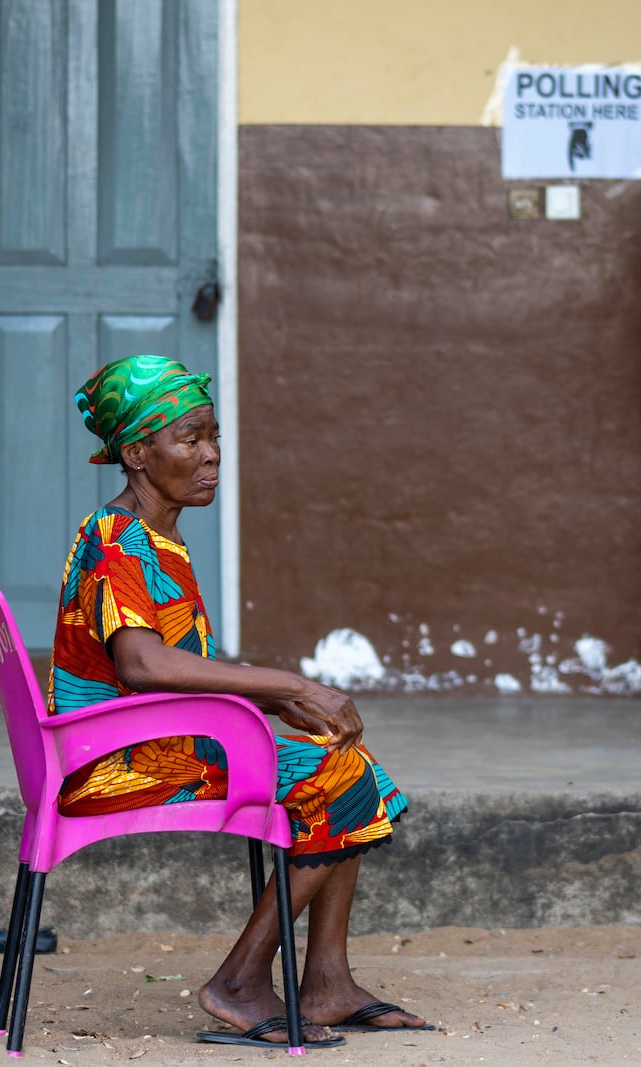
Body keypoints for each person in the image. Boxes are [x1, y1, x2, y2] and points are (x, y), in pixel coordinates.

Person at [51, 354, 429, 1049]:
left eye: (213, 435)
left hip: (155, 743)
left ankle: (328, 983)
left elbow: (177, 664)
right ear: (137, 452)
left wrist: (272, 705)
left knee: (350, 763)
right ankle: (240, 981)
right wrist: (288, 684)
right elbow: (141, 664)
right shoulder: (117, 542)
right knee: (338, 779)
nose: (212, 455)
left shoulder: (153, 536)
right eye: (190, 439)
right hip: (115, 762)